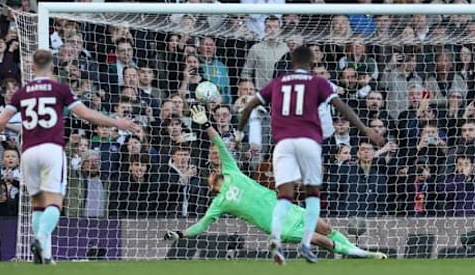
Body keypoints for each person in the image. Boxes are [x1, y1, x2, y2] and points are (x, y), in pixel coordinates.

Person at [163, 104, 387, 260]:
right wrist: (180, 234)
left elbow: (220, 144)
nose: (212, 173)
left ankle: (357, 250)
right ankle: (363, 254)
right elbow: (202, 225)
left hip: (288, 209)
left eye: (212, 172)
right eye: (208, 176)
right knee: (323, 241)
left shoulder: (232, 172)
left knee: (325, 227)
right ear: (211, 187)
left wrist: (205, 124)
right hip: (280, 226)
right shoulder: (220, 203)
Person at [237, 46, 383, 264]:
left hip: (283, 144)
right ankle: (306, 242)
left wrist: (240, 133)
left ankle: (276, 237)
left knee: (284, 195)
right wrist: (365, 130)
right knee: (312, 193)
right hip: (308, 141)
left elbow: (249, 106)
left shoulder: (277, 83)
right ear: (312, 63)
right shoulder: (318, 82)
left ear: (292, 62)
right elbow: (342, 107)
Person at [0, 49, 138, 264]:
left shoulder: (22, 92)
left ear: (32, 68)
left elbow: (1, 121)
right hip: (52, 149)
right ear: (52, 67)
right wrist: (118, 122)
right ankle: (42, 238)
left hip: (28, 151)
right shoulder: (59, 89)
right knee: (54, 202)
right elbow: (87, 115)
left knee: (38, 203)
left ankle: (42, 254)